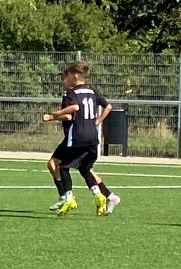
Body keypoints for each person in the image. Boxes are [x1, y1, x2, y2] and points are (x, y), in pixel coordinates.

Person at [39, 60, 120, 216]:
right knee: (84, 168)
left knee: (59, 165)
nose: (63, 81)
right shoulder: (92, 91)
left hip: (76, 136)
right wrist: (98, 121)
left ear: (74, 77)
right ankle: (108, 196)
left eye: (66, 77)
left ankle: (67, 197)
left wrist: (53, 116)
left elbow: (71, 113)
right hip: (91, 136)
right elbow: (108, 106)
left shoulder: (70, 94)